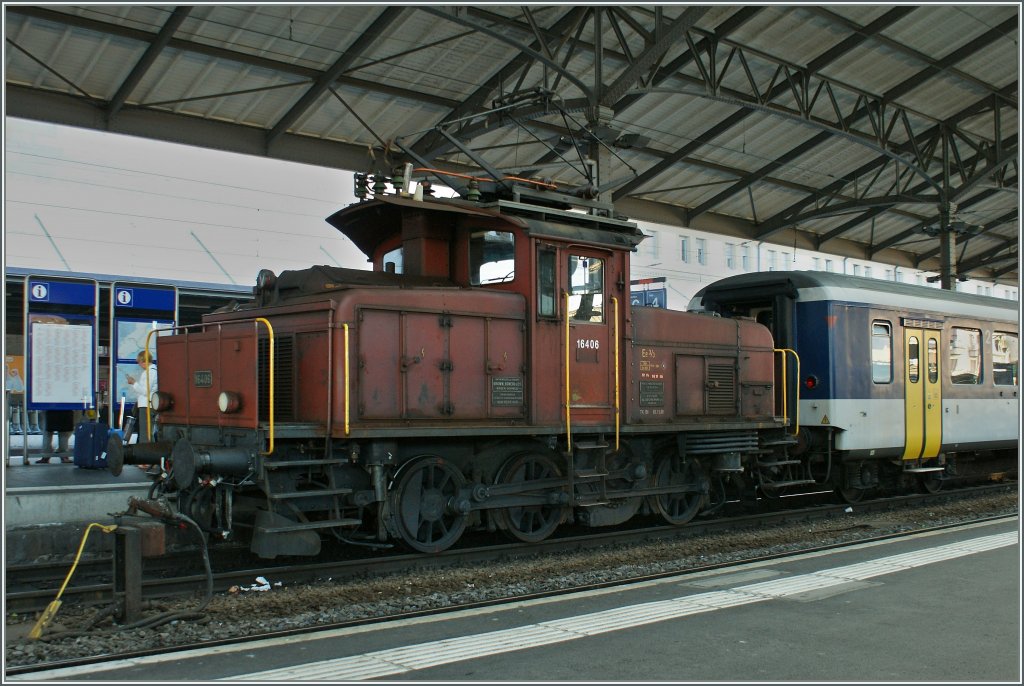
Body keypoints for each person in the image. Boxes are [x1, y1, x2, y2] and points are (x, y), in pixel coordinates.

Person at [125, 350, 158, 443]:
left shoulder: (151, 372)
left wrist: (134, 383)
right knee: (146, 431)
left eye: (139, 362)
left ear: (144, 361)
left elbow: (145, 391)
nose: (139, 365)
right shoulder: (150, 372)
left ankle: (146, 451)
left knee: (145, 433)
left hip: (147, 405)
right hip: (146, 404)